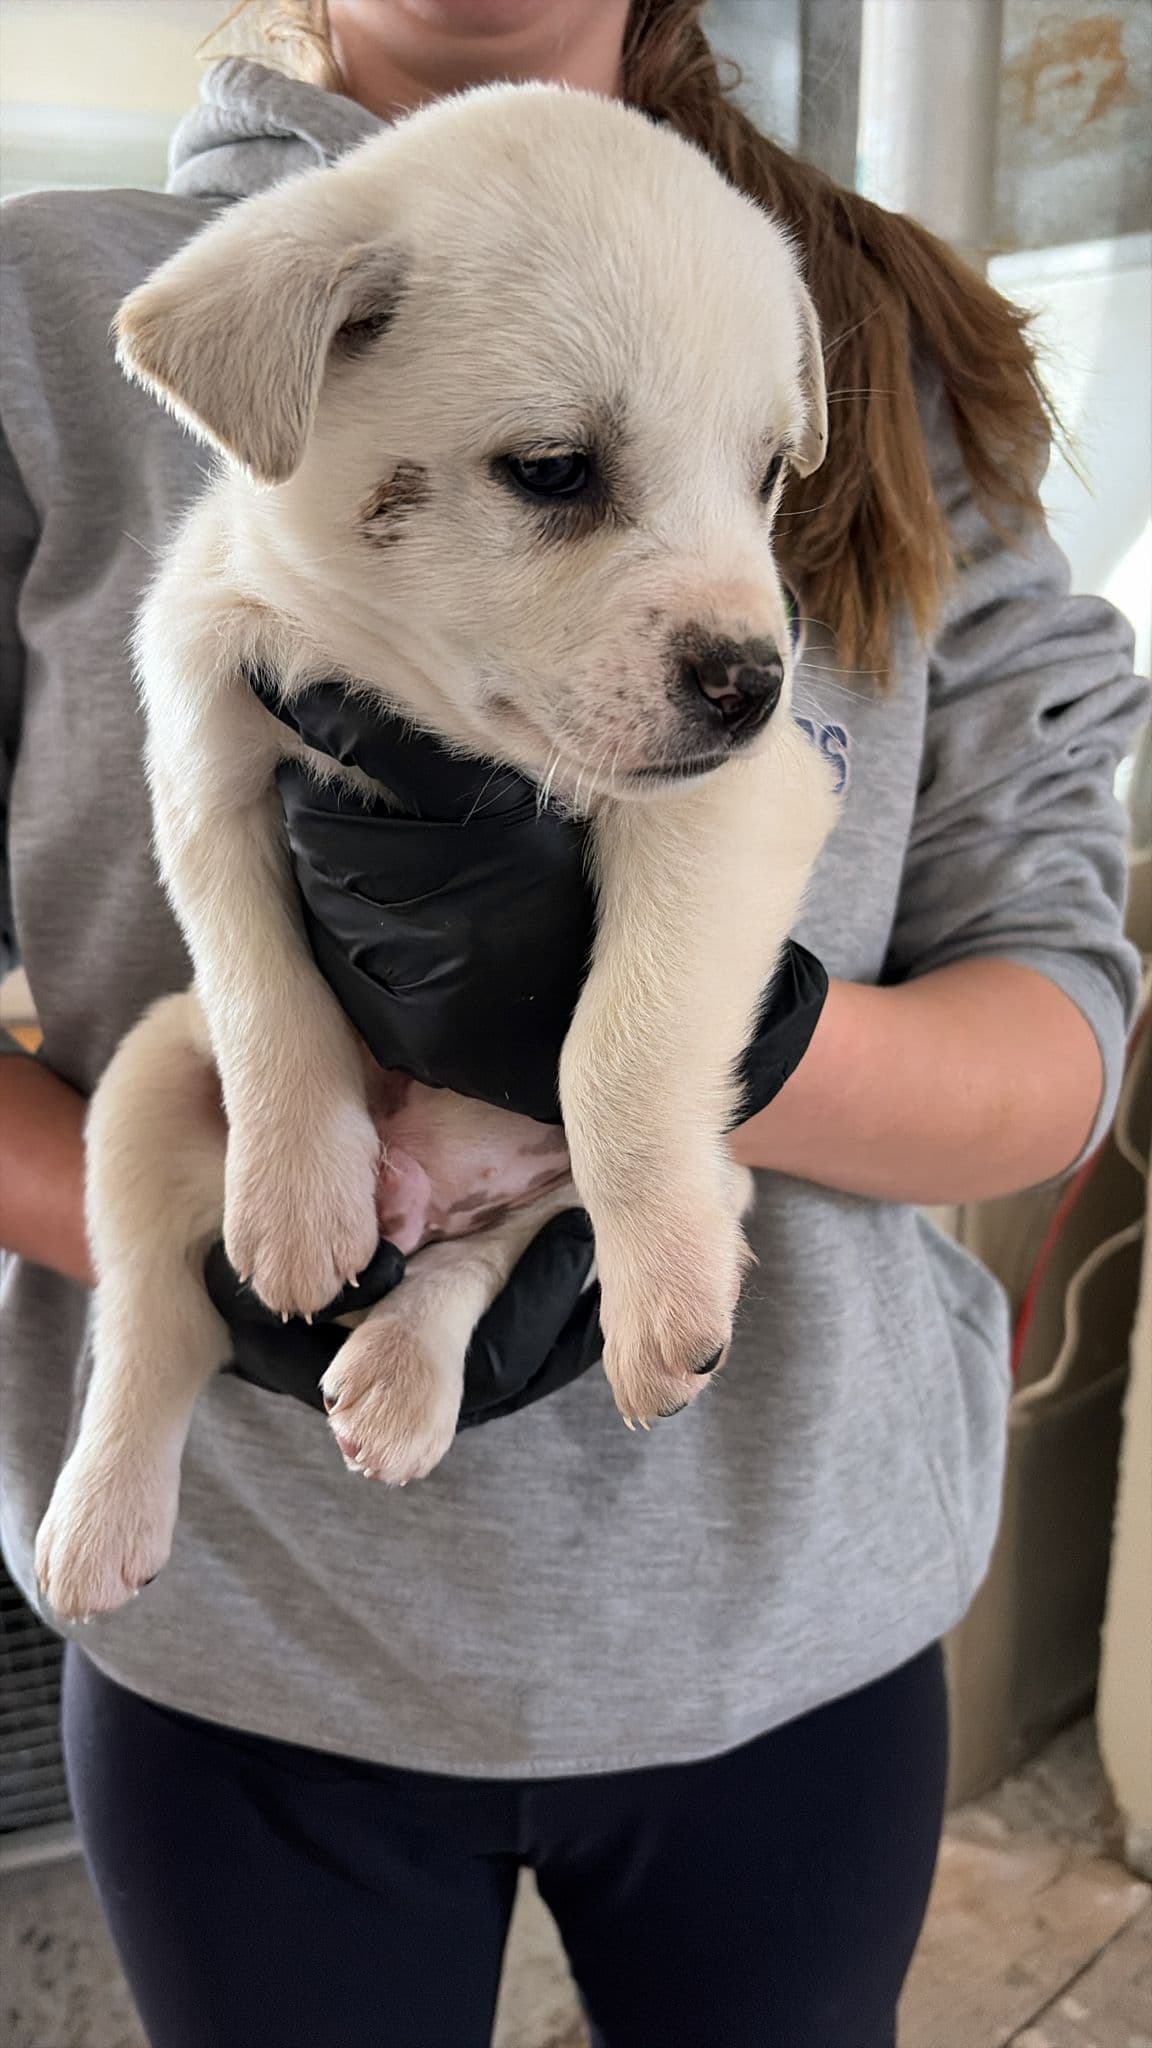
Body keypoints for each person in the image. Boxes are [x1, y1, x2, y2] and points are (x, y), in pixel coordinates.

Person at [0, 2, 1144, 2043]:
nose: (734, 626)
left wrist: (691, 1065)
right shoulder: (58, 311)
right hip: (260, 1638)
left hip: (793, 1613)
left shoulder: (865, 322)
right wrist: (198, 1251)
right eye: (553, 471)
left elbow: (1057, 1010)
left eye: (758, 487)